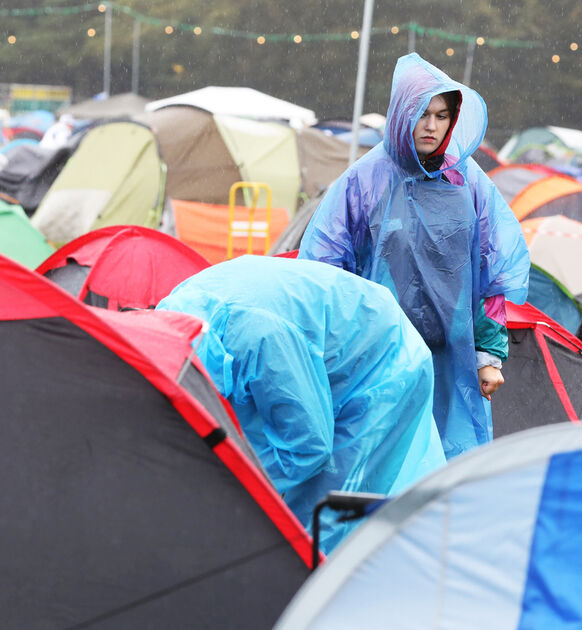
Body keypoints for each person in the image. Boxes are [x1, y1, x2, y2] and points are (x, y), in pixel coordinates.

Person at [298, 53, 530, 459]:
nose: (431, 126)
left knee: (445, 474)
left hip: (450, 361)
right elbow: (325, 269)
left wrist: (487, 355)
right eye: (421, 113)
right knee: (382, 467)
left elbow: (490, 273)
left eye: (441, 116)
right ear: (402, 113)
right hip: (378, 356)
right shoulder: (364, 181)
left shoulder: (468, 182)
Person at [157, 255, 446, 553]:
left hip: (380, 367)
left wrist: (227, 484)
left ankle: (316, 592)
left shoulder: (256, 338)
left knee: (319, 522)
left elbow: (309, 447)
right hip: (329, 349)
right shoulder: (174, 316)